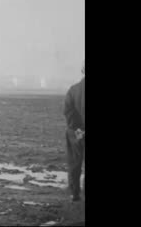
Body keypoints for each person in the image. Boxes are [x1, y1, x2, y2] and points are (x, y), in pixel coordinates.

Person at [63, 61, 85, 202]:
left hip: (76, 133)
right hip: (79, 131)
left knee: (74, 163)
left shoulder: (73, 89)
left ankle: (74, 194)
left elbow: (68, 112)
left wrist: (78, 130)